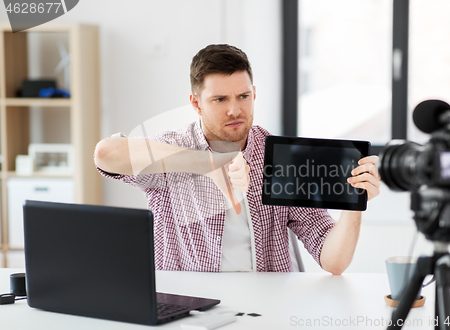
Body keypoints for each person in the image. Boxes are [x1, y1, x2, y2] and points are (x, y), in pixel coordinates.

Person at [94, 44, 381, 274]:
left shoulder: (280, 156)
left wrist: (354, 203)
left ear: (254, 94)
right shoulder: (172, 149)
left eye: (243, 96)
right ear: (196, 103)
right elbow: (106, 154)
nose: (235, 110)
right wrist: (209, 163)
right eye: (220, 100)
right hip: (192, 306)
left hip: (266, 305)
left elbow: (334, 261)